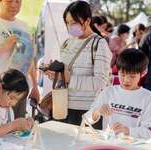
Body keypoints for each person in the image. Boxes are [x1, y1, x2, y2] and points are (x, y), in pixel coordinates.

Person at [46, 1, 112, 129]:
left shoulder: (99, 44)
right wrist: (54, 75)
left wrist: (70, 79)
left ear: (87, 21)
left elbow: (100, 82)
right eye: (68, 22)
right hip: (62, 105)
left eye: (74, 22)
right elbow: (65, 75)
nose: (70, 26)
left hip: (87, 110)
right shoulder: (67, 43)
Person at [85, 49, 151, 139]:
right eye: (122, 74)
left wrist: (127, 130)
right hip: (108, 144)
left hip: (133, 147)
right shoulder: (108, 92)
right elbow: (86, 120)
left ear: (142, 74)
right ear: (117, 71)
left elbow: (148, 132)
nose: (126, 80)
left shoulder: (147, 97)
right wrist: (97, 111)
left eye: (132, 76)